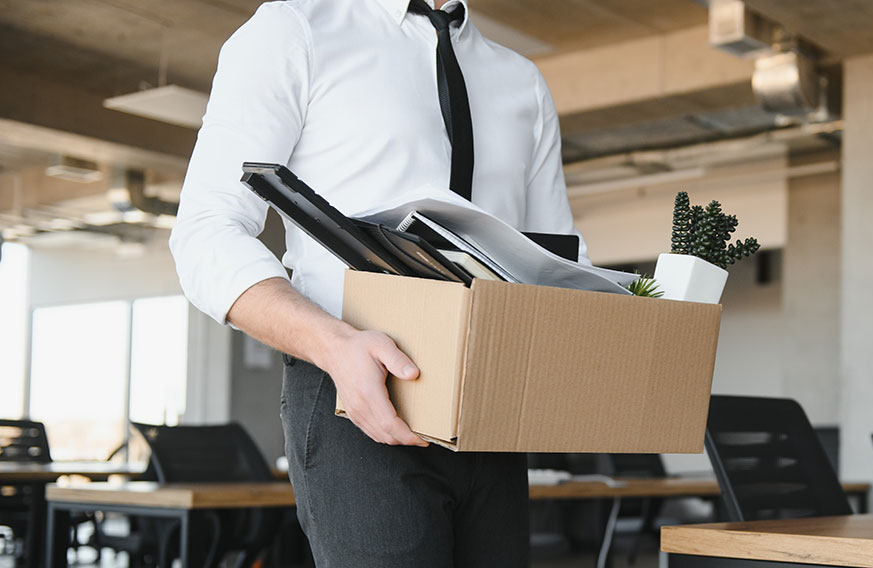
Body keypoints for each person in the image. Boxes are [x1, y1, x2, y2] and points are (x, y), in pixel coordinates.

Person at [169, 0, 588, 564]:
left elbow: (555, 259)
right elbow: (205, 232)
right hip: (352, 393)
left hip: (489, 406)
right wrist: (334, 345)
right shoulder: (296, 28)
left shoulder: (521, 81)